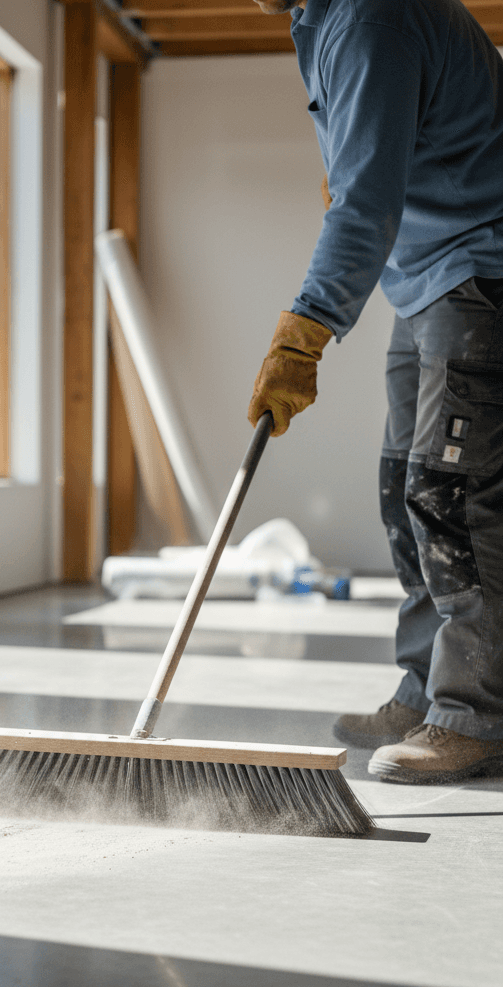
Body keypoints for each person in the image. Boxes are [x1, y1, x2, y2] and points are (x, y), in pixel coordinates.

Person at [248, 0, 503, 784]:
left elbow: (363, 201)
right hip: (422, 277)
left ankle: (476, 715)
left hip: (477, 267)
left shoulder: (368, 18)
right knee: (406, 491)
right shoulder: (321, 18)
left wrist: (305, 332)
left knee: (454, 497)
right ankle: (427, 687)